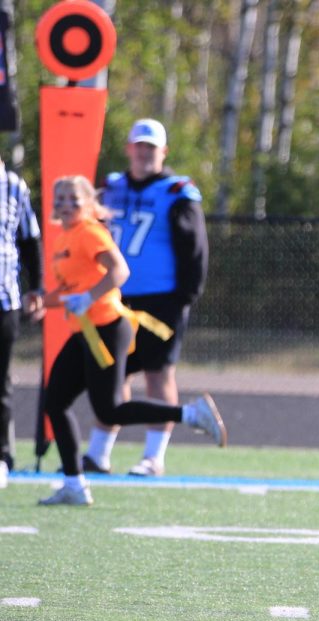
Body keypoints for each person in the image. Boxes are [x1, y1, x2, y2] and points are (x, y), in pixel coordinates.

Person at [22, 175, 226, 507]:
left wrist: (89, 297)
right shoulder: (65, 236)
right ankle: (74, 483)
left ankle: (191, 414)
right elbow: (70, 288)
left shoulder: (89, 232)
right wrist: (43, 301)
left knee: (109, 408)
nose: (65, 204)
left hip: (106, 328)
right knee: (56, 401)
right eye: (60, 198)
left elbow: (119, 272)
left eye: (74, 198)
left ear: (90, 203)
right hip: (87, 329)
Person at [82, 118, 209, 478]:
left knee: (157, 372)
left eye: (151, 147)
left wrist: (185, 295)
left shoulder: (176, 191)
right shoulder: (111, 188)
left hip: (161, 299)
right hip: (115, 298)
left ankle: (153, 457)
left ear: (163, 151)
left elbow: (195, 249)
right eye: (139, 145)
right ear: (129, 148)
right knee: (113, 373)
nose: (144, 152)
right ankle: (98, 453)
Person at [0, 156, 42, 489]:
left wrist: (37, 287)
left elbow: (29, 240)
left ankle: (2, 457)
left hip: (4, 300)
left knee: (0, 384)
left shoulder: (14, 186)